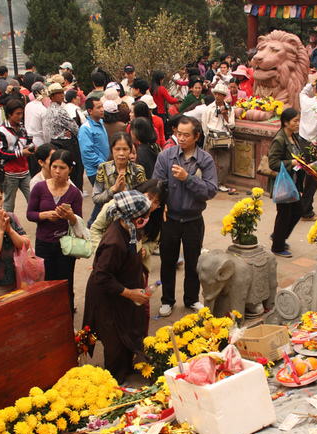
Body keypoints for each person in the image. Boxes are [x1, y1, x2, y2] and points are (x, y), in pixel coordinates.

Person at [82, 190, 152, 383]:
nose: (147, 218)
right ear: (134, 217)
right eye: (145, 215)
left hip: (125, 291)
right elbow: (102, 276)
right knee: (114, 338)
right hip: (107, 295)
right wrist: (129, 293)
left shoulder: (131, 228)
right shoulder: (113, 241)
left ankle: (128, 366)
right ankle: (115, 380)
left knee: (129, 330)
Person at [152, 116, 217, 316]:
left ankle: (191, 299)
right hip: (169, 219)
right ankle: (167, 300)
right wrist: (160, 204)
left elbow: (211, 190)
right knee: (168, 261)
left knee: (193, 262)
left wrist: (188, 179)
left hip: (193, 219)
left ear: (196, 136)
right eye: (178, 133)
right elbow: (157, 185)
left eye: (186, 135)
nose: (181, 138)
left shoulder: (205, 159)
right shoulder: (166, 156)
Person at [26, 149, 83, 307]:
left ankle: (67, 319)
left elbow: (79, 221)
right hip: (43, 243)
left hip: (65, 246)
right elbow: (30, 214)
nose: (57, 171)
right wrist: (45, 215)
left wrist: (70, 216)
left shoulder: (74, 193)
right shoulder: (40, 188)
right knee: (46, 285)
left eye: (62, 168)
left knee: (65, 284)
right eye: (54, 167)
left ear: (70, 170)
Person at [267, 108, 306, 257]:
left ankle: (279, 235)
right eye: (295, 120)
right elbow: (273, 163)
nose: (298, 123)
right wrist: (292, 162)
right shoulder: (280, 139)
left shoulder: (293, 137)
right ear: (285, 122)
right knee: (284, 214)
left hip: (294, 182)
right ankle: (277, 246)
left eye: (298, 120)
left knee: (298, 211)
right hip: (284, 183)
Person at [93, 132, 147, 216]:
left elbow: (142, 200)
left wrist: (125, 191)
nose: (121, 153)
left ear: (130, 151)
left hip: (131, 217)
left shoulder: (138, 170)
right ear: (112, 150)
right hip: (108, 217)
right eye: (117, 149)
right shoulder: (103, 168)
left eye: (125, 149)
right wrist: (113, 189)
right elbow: (96, 198)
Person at [0, 99, 33, 214]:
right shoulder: (1, 131)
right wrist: (21, 153)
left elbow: (25, 145)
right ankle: (7, 230)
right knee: (8, 205)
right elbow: (1, 153)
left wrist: (31, 147)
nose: (20, 116)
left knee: (33, 201)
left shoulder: (22, 129)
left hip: (25, 172)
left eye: (22, 113)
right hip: (10, 173)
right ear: (9, 114)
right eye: (18, 114)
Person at [298, 79, 317, 220]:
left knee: (302, 176)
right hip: (314, 145)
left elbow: (302, 92)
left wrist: (311, 85)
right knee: (312, 179)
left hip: (301, 141)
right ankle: (306, 210)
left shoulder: (307, 101)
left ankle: (302, 207)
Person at [202, 83, 235, 193]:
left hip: (224, 137)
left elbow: (232, 125)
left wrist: (225, 115)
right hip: (211, 136)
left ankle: (220, 183)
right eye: (216, 94)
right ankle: (208, 182)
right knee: (208, 162)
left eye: (220, 94)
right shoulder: (208, 109)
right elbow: (204, 124)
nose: (218, 96)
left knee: (224, 164)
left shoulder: (230, 109)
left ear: (224, 96)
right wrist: (207, 136)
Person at [78, 97, 110, 194]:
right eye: (98, 107)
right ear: (90, 111)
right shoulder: (85, 129)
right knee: (101, 199)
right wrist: (103, 165)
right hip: (96, 171)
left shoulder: (100, 122)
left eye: (102, 106)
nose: (102, 109)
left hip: (105, 167)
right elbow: (87, 153)